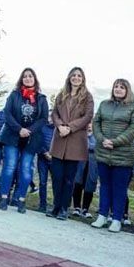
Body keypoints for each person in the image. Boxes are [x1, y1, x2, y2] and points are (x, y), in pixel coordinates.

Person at [91, 79, 134, 232]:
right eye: (116, 87)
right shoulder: (104, 104)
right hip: (103, 152)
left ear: (128, 90)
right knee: (105, 185)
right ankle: (102, 215)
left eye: (122, 87)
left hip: (123, 155)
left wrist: (116, 141)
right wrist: (101, 139)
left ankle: (117, 219)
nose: (118, 89)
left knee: (119, 188)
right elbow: (96, 123)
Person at [0, 68, 49, 213]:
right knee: (9, 167)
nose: (27, 78)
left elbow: (43, 118)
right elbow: (7, 113)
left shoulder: (41, 99)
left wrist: (29, 130)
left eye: (30, 76)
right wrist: (19, 129)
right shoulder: (14, 95)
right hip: (13, 135)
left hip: (31, 139)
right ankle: (4, 197)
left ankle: (21, 199)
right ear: (21, 79)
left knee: (26, 169)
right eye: (25, 76)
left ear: (35, 79)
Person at [48, 67, 94, 220]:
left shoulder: (87, 97)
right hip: (59, 140)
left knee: (69, 179)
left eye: (79, 75)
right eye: (73, 75)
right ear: (69, 77)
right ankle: (55, 205)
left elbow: (88, 116)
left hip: (75, 141)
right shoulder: (62, 95)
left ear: (83, 78)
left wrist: (70, 127)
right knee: (57, 177)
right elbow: (54, 112)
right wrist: (60, 125)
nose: (76, 78)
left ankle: (63, 208)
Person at [71, 124, 98, 218]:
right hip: (80, 163)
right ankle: (77, 208)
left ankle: (85, 209)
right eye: (88, 126)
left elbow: (95, 147)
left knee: (89, 186)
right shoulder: (81, 135)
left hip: (93, 164)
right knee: (77, 184)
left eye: (91, 126)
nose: (89, 127)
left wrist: (87, 142)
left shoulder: (97, 136)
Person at [36, 115, 54, 213]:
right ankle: (42, 204)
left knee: (56, 182)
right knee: (42, 182)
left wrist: (53, 154)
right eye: (49, 117)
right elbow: (39, 141)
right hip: (42, 158)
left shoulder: (58, 129)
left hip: (55, 159)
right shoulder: (42, 127)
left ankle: (56, 205)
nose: (51, 119)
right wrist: (45, 152)